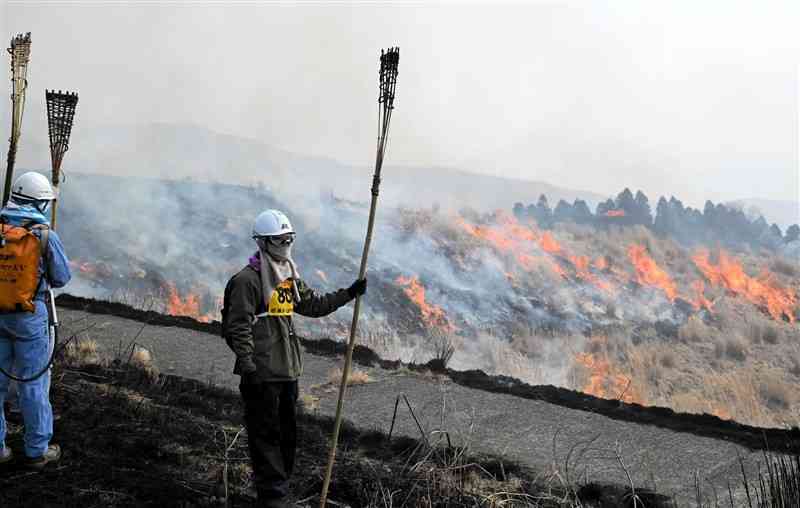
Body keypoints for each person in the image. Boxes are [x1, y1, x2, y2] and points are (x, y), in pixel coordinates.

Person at [222, 209, 366, 507]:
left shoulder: (286, 276)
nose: (285, 244)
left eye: (289, 239)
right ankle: (272, 498)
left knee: (287, 436)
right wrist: (249, 370)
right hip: (262, 375)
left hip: (288, 372)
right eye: (279, 240)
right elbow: (238, 328)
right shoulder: (247, 281)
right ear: (263, 243)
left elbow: (313, 305)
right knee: (265, 437)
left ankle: (279, 490)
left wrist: (349, 294)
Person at [0, 172, 71, 470]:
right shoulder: (44, 236)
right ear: (41, 203)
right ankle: (36, 450)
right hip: (30, 320)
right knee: (33, 384)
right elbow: (62, 277)